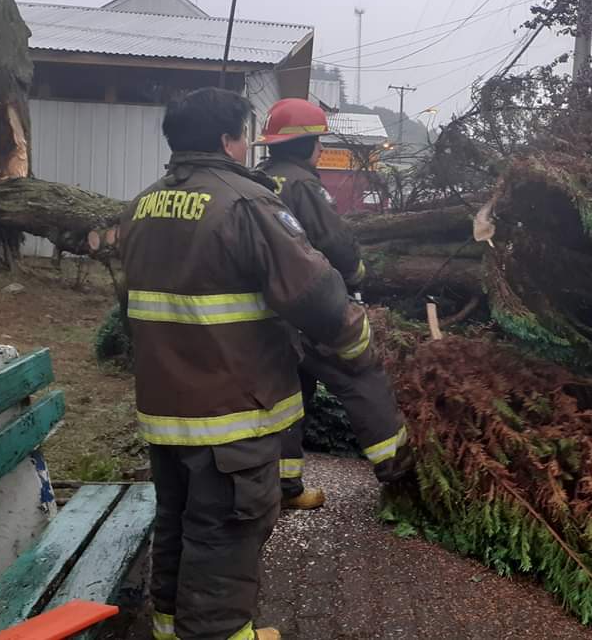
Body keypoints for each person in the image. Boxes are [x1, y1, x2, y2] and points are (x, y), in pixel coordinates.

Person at [120, 88, 367, 640]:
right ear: (229, 140)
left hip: (165, 411)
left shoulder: (141, 205)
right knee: (227, 531)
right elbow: (320, 299)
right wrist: (359, 343)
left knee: (178, 523)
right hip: (232, 410)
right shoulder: (248, 205)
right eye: (243, 135)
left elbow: (130, 308)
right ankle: (222, 633)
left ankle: (169, 627)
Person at [254, 97, 412, 509]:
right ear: (307, 144)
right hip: (311, 307)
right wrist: (358, 274)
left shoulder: (256, 181)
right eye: (319, 141)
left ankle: (285, 487)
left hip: (270, 315)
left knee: (290, 392)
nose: (322, 149)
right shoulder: (304, 184)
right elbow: (335, 243)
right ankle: (400, 470)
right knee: (361, 373)